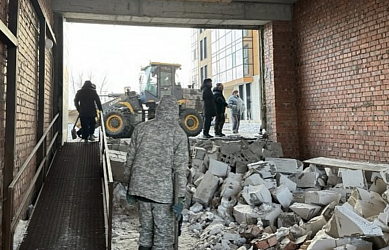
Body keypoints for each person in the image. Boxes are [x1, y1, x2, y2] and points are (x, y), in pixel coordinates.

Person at [124, 95, 188, 250]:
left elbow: (130, 158)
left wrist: (129, 185)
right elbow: (180, 169)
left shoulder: (141, 128)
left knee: (145, 232)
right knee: (163, 238)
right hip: (163, 194)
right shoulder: (179, 134)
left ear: (159, 110)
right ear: (176, 112)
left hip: (140, 190)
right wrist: (180, 198)